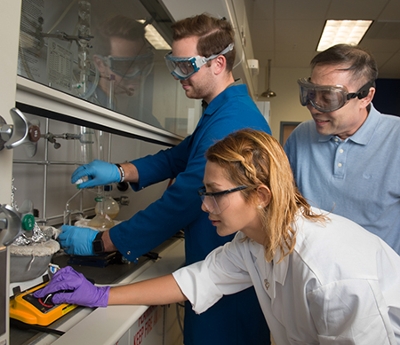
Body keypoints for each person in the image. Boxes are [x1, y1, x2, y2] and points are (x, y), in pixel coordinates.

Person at [36, 129, 400, 344]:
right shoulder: (254, 240)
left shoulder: (333, 273)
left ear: (259, 196)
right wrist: (99, 294)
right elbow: (195, 280)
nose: (205, 206)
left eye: (215, 193)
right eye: (203, 192)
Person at [59, 14, 271, 345]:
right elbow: (178, 157)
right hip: (212, 264)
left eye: (185, 66)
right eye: (173, 64)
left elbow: (183, 199)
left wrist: (102, 242)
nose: (177, 76)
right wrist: (120, 171)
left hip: (228, 285)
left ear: (217, 64)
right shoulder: (219, 109)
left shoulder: (232, 121)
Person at [284, 43, 400, 254]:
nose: (314, 107)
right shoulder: (300, 137)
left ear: (366, 96)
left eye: (328, 98)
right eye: (311, 93)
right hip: (311, 273)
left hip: (376, 281)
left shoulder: (395, 139)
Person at [86, 14, 161, 127]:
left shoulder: (146, 119)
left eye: (142, 63)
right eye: (126, 65)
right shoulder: (84, 105)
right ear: (100, 64)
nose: (138, 74)